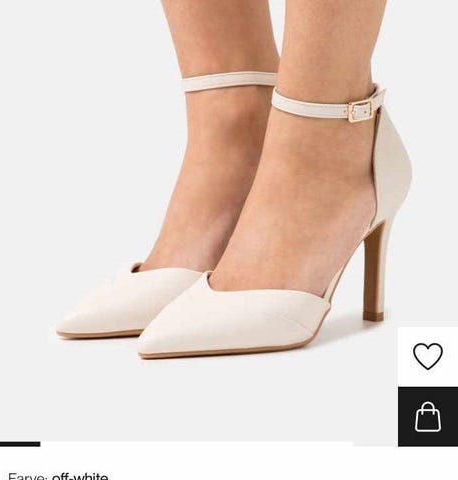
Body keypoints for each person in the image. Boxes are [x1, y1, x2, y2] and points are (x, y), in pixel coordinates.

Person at [58, 1, 411, 359]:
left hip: (332, 149)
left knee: (321, 99)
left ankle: (323, 153)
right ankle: (240, 130)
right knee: (226, 93)